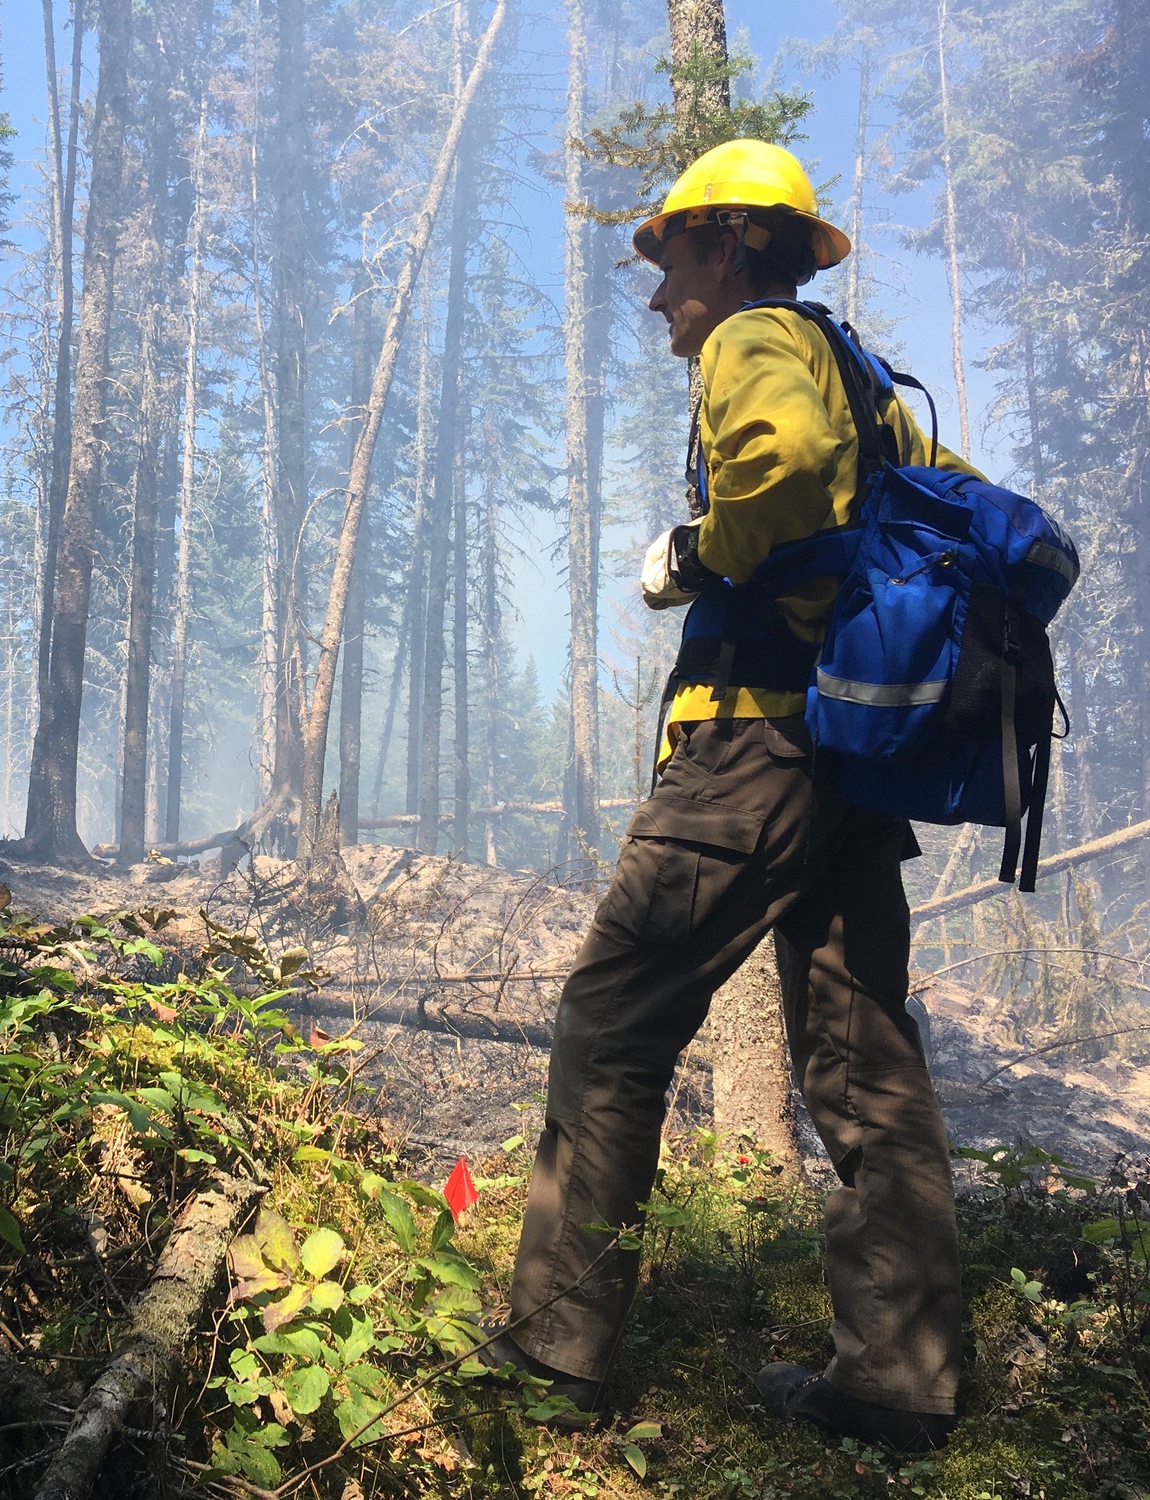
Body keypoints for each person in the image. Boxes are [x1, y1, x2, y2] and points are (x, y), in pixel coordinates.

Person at [484, 139, 974, 1453]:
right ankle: (900, 1377)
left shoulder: (755, 344)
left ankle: (554, 1356)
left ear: (735, 245)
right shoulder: (872, 379)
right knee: (865, 1057)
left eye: (673, 261)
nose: (659, 298)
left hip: (755, 746)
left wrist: (695, 551)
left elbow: (790, 473)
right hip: (854, 763)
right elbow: (940, 506)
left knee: (613, 1016)